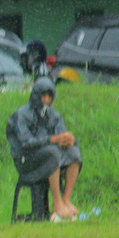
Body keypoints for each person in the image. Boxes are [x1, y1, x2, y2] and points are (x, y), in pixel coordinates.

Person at [6, 77, 82, 221]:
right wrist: (53, 139)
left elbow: (61, 134)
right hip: (26, 160)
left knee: (74, 153)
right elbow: (26, 143)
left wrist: (68, 140)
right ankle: (57, 202)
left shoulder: (53, 114)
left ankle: (66, 199)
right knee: (52, 154)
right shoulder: (21, 115)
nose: (46, 100)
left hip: (47, 156)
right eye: (43, 97)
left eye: (49, 97)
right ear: (36, 96)